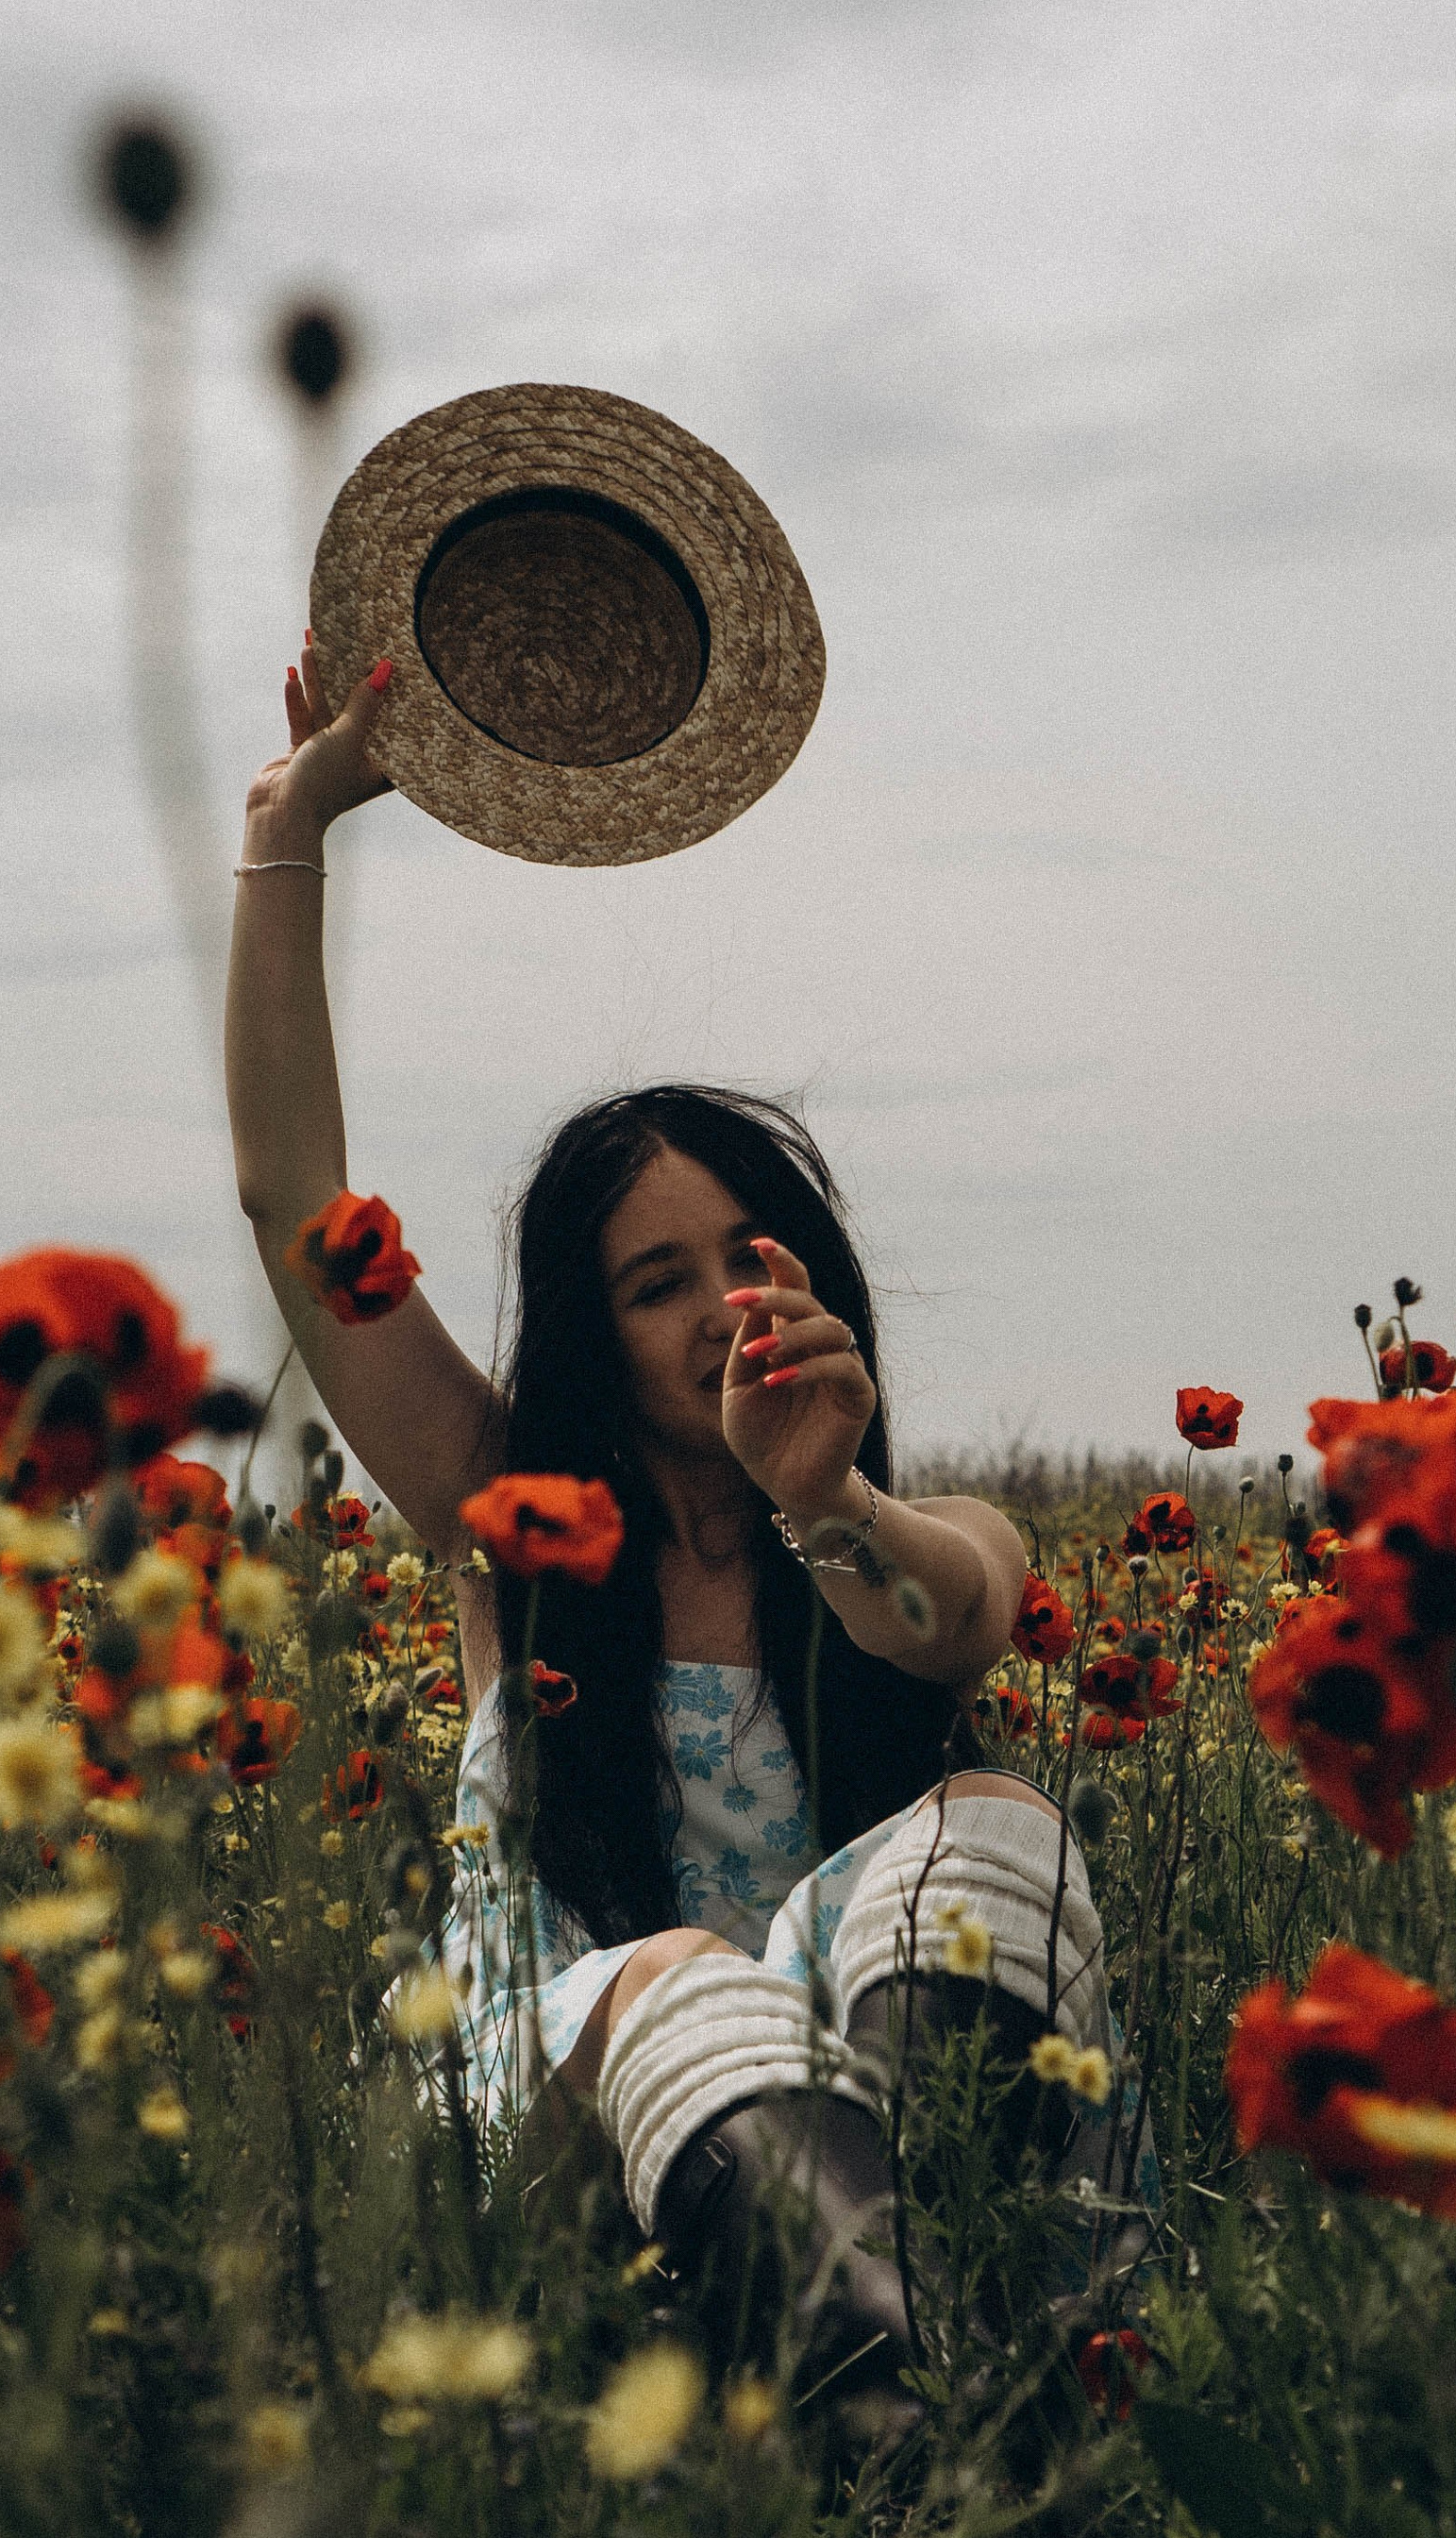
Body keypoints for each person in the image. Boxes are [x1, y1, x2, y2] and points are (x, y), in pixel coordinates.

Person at [225, 640, 1146, 2424]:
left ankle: (927, 2350)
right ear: (594, 1333)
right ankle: (890, 2420)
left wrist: (826, 1506)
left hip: (858, 2083)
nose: (722, 1304)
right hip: (573, 2109)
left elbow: (946, 1621)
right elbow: (296, 1208)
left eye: (752, 1255)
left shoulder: (924, 1532)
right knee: (675, 1978)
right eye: (658, 1282)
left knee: (993, 1821)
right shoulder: (515, 1524)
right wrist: (292, 829)